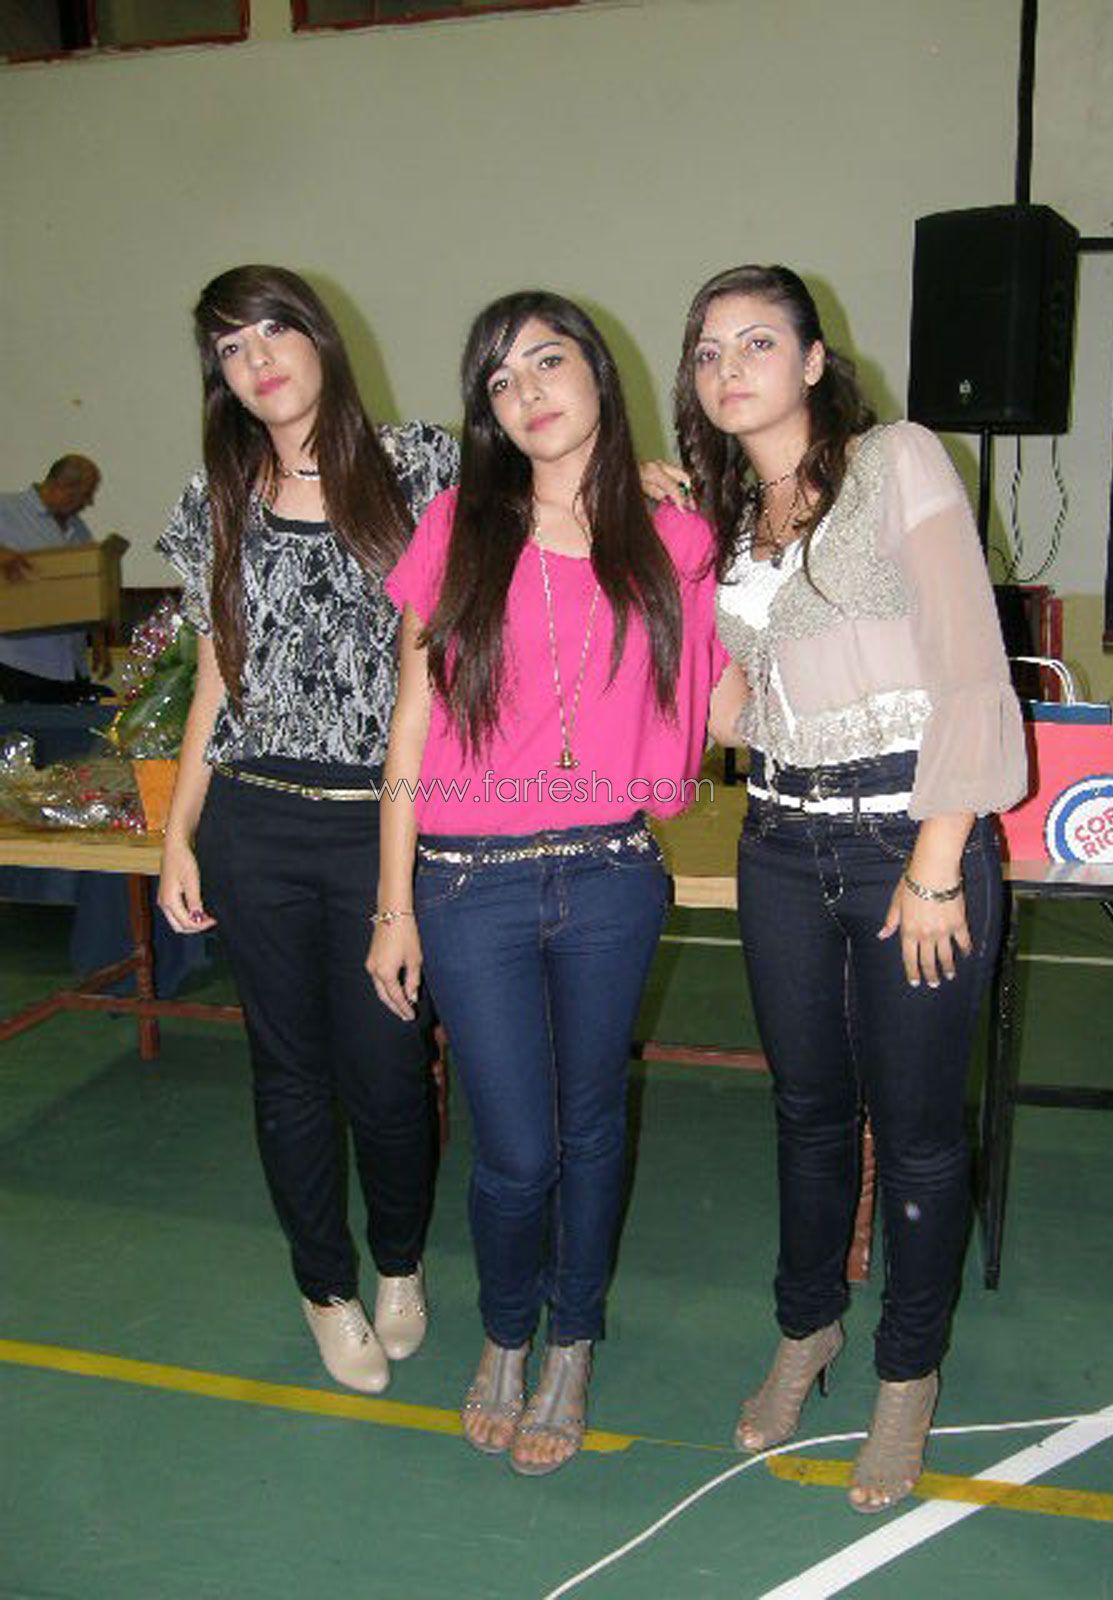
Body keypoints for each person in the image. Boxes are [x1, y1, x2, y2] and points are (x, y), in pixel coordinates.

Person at [673, 264, 1026, 1512]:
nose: (729, 369)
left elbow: (970, 663)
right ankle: (805, 1327)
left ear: (816, 359)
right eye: (708, 352)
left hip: (908, 839)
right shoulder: (730, 522)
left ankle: (905, 1374)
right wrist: (667, 556)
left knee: (918, 1132)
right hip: (780, 839)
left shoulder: (897, 461)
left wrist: (938, 861)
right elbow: (733, 709)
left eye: (757, 342)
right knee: (808, 1114)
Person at [368, 290, 737, 1476]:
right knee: (517, 1150)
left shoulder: (674, 539)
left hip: (611, 871)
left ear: (598, 375)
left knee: (592, 1125)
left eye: (547, 361)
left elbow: (722, 702)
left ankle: (570, 1342)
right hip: (467, 884)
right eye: (501, 379)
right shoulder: (458, 528)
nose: (527, 391)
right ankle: (505, 1331)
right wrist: (393, 905)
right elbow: (410, 724)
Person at [156, 265, 459, 1395]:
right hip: (255, 823)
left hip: (384, 824)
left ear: (321, 338)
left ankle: (398, 1262)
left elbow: (554, 499)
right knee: (287, 1073)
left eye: (274, 330)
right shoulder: (217, 498)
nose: (258, 359)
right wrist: (178, 834)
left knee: (389, 1070)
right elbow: (214, 681)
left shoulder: (421, 466)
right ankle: (325, 1288)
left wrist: (647, 480)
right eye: (232, 348)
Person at [0, 455, 109, 702]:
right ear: (64, 487)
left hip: (71, 665)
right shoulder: (7, 510)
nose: (88, 502)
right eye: (85, 495)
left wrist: (98, 639)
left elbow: (89, 588)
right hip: (19, 662)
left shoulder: (78, 530)